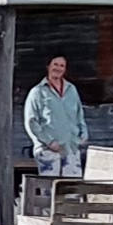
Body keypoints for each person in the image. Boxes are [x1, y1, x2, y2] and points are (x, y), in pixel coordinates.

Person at [22, 50, 88, 179]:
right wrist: (49, 142)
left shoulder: (71, 89)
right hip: (49, 151)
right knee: (49, 190)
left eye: (62, 65)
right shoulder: (37, 92)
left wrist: (83, 134)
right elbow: (31, 122)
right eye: (55, 64)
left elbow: (80, 115)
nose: (58, 68)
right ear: (48, 66)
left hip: (71, 149)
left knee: (71, 190)